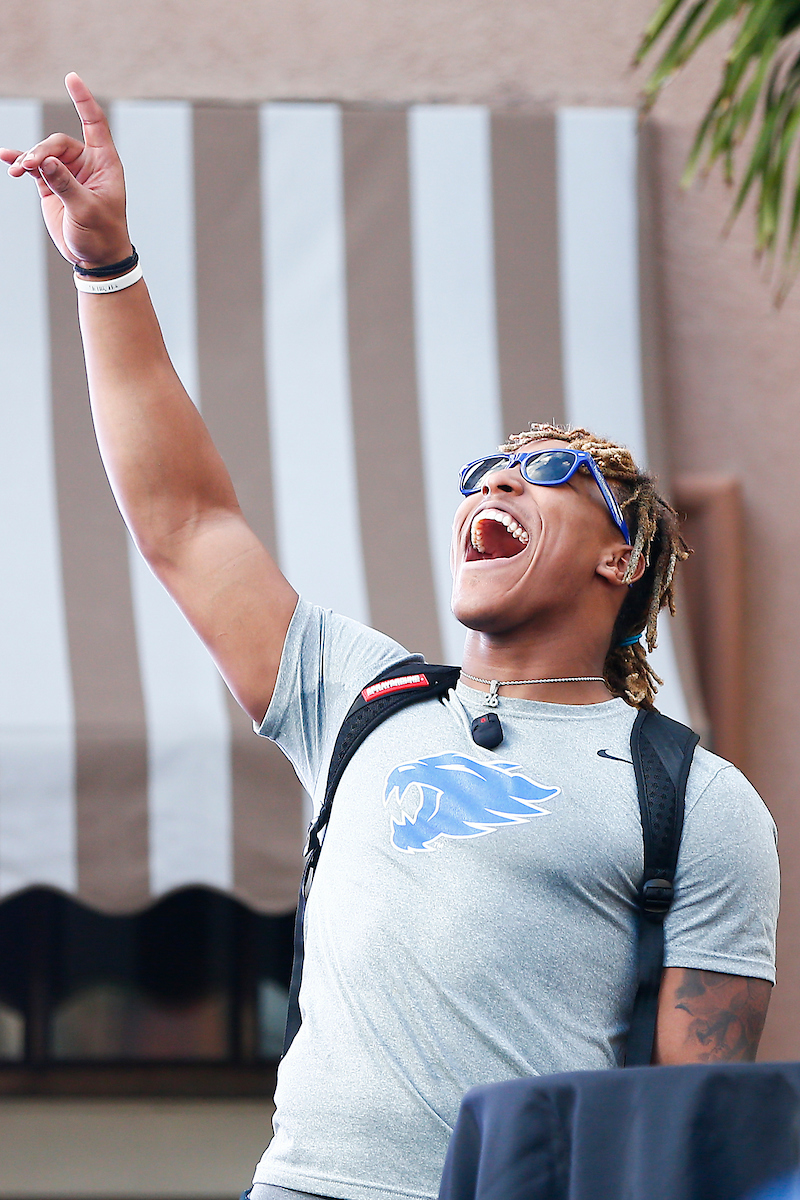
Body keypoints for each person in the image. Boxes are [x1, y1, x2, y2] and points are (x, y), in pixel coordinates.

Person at [1, 75, 779, 1200]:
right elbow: (186, 520)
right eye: (482, 471)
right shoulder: (363, 702)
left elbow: (687, 1136)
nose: (495, 479)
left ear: (624, 558)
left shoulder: (692, 800)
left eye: (548, 473)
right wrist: (105, 266)